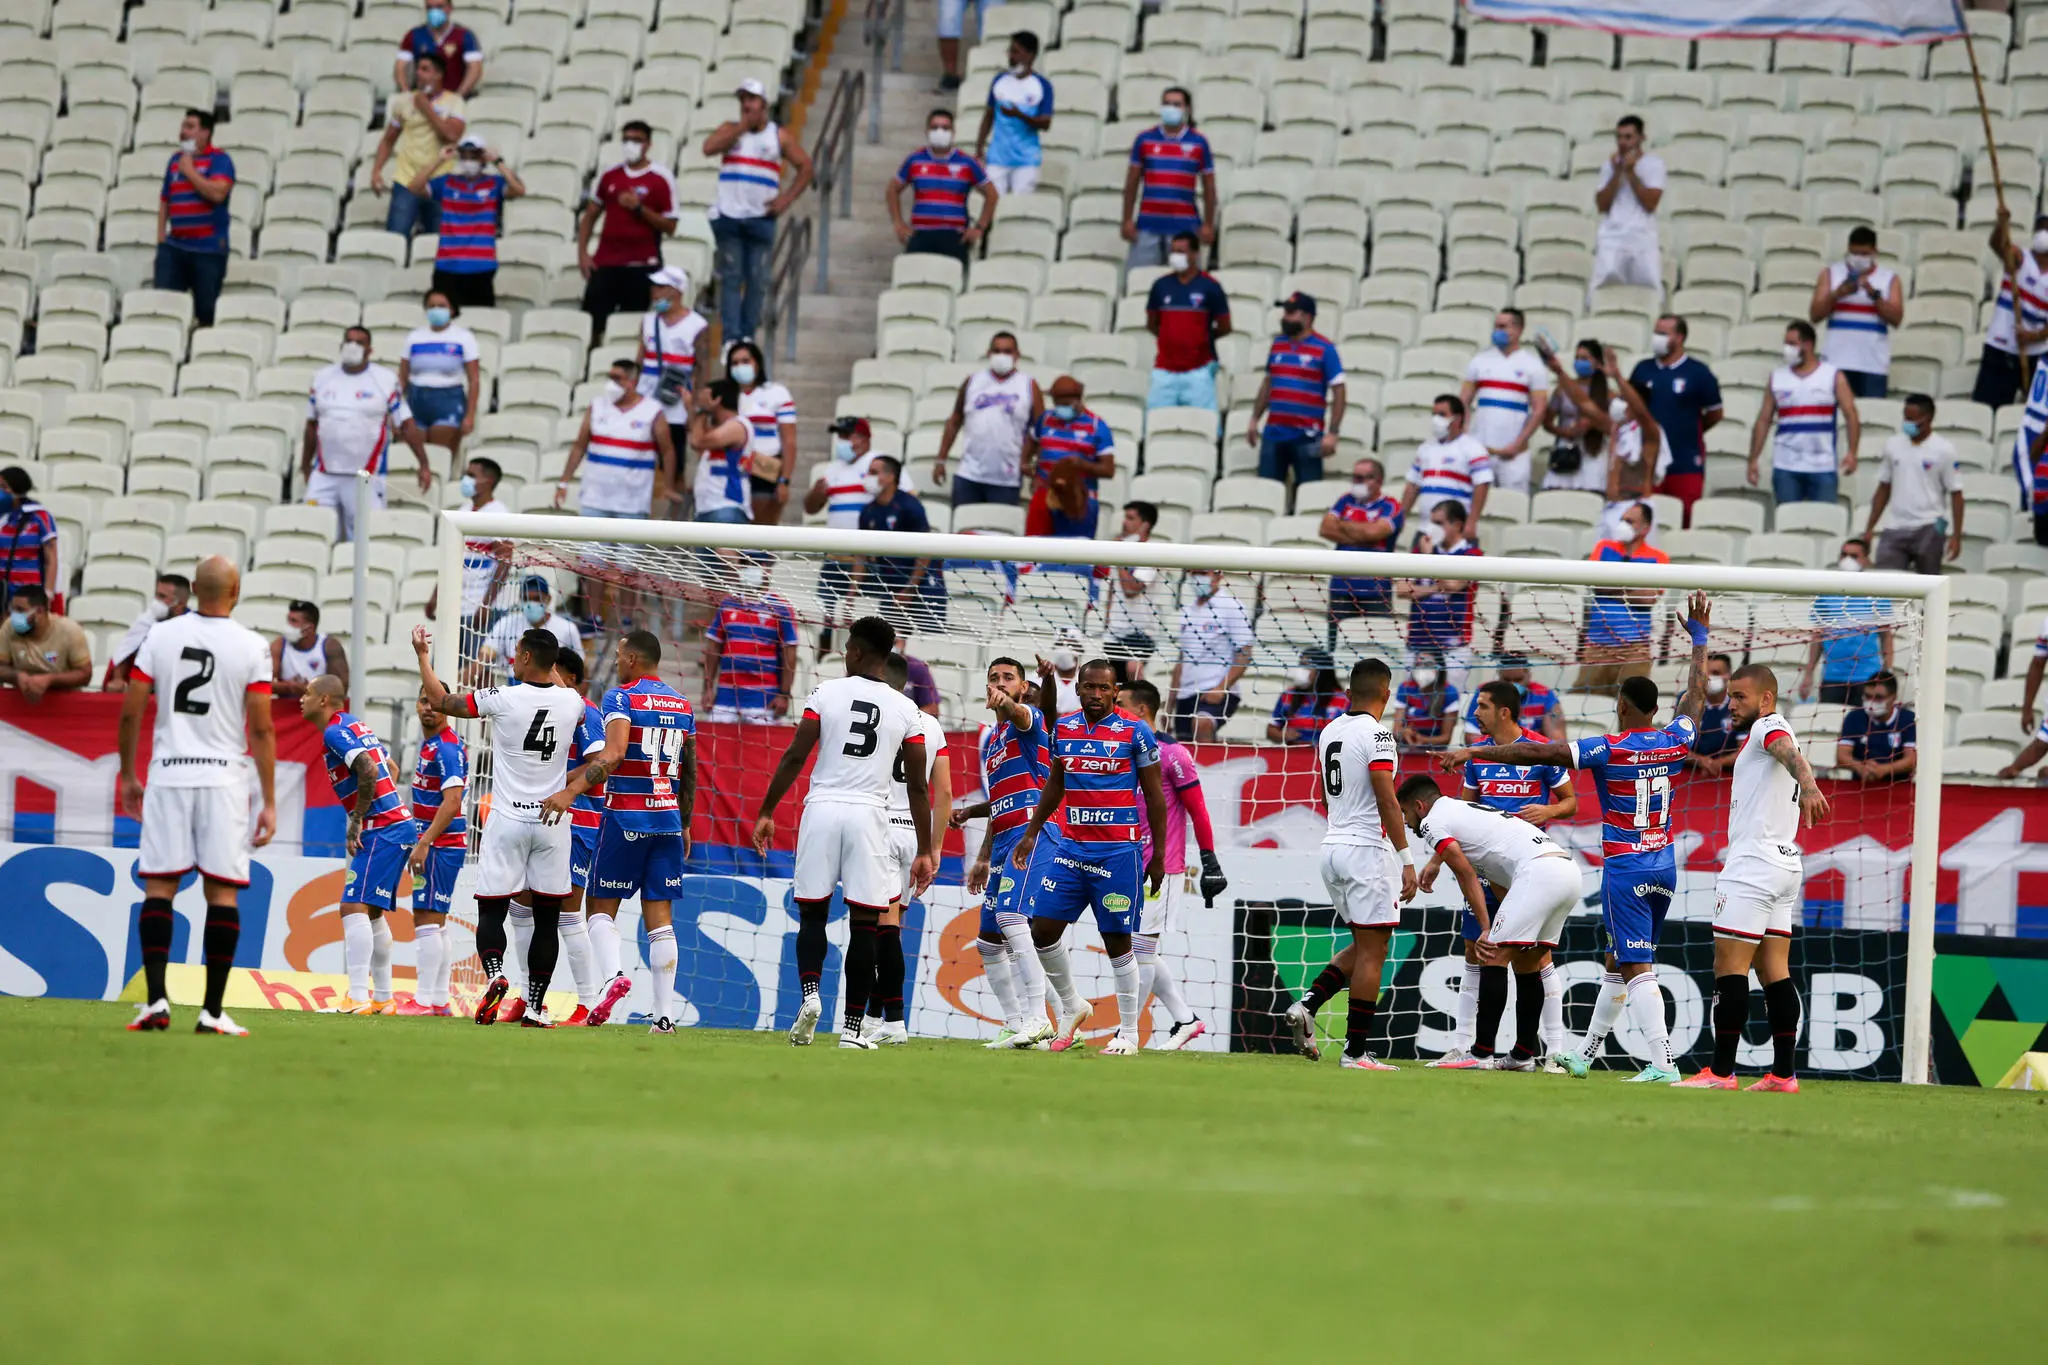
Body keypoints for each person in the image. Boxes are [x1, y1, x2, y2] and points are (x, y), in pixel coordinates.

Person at [1444, 591, 1714, 1083]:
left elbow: (1542, 755)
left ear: (1622, 706)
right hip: (1665, 864)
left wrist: (1474, 754)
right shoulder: (1677, 739)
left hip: (1627, 866)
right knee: (1617, 960)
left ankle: (1663, 1063)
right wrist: (1699, 640)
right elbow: (1695, 700)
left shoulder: (1608, 747)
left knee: (1636, 966)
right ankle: (1585, 1055)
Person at [753, 616, 934, 1048]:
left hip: (822, 809)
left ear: (854, 651)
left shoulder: (826, 692)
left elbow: (796, 755)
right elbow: (917, 785)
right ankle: (853, 1030)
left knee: (813, 915)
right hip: (871, 815)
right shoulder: (906, 708)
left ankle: (811, 994)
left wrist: (766, 810)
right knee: (866, 924)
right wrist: (926, 849)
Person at [116, 556, 276, 1036]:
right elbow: (263, 727)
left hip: (168, 773)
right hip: (224, 778)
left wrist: (128, 775)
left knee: (160, 887)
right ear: (237, 590)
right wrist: (269, 799)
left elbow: (130, 712)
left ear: (191, 588)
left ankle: (156, 1003)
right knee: (221, 891)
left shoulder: (160, 637)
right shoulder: (252, 645)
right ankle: (211, 1012)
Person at [415, 623, 588, 1026]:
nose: (512, 658)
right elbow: (572, 703)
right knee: (547, 918)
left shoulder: (503, 697)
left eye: (517, 652)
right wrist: (554, 677)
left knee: (492, 911)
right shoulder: (572, 703)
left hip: (508, 817)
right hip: (552, 820)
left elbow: (441, 701)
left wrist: (422, 656)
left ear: (527, 657)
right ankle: (535, 1008)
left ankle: (495, 976)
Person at [1009, 657, 1172, 1056]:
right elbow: (1055, 784)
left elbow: (1155, 797)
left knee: (1117, 941)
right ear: (1078, 688)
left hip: (1118, 852)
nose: (1096, 694)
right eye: (1089, 687)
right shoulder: (1063, 729)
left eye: (1104, 688)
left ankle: (1129, 1033)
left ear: (1116, 692)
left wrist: (1158, 856)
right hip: (1070, 848)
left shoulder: (1136, 733)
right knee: (1042, 932)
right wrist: (1031, 832)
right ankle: (1073, 1006)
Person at [1677, 664, 1829, 1092]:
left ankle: (1721, 1073)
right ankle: (1783, 1074)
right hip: (1784, 863)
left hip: (1753, 865)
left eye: (1740, 696)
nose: (1731, 704)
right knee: (1774, 971)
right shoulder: (1766, 735)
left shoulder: (1770, 727)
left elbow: (1787, 751)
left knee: (1729, 967)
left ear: (1766, 698)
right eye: (1731, 696)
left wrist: (1811, 784)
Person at [542, 629, 698, 1034]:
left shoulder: (622, 697)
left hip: (626, 815)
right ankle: (663, 1018)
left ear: (632, 659)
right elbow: (690, 767)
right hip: (666, 819)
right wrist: (685, 822)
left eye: (618, 654)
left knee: (598, 909)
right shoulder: (682, 704)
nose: (614, 660)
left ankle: (613, 977)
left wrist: (570, 790)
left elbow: (613, 753)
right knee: (660, 918)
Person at [1430, 678, 1576, 1068]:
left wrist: (1548, 811)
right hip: (1485, 870)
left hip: (1529, 870)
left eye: (1482, 706)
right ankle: (1465, 1045)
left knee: (1537, 957)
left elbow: (1571, 802)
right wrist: (1434, 861)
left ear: (1504, 712)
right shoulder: (1478, 758)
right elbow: (1458, 816)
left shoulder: (1539, 751)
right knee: (1474, 951)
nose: (1475, 712)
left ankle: (1554, 1049)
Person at [1279, 658, 1416, 1068]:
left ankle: (1309, 1003)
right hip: (1365, 852)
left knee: (1364, 943)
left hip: (1333, 846)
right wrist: (1406, 857)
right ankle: (1356, 1052)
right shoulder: (1378, 736)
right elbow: (1387, 798)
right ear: (1387, 694)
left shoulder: (1329, 731)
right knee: (1376, 952)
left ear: (1349, 692)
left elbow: (1324, 794)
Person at [1401, 774, 1581, 1070]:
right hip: (1566, 871)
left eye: (1405, 813)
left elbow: (1466, 875)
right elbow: (1499, 880)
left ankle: (1480, 1054)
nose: (1407, 822)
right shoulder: (1464, 814)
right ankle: (1523, 1055)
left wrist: (1487, 929)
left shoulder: (1434, 821)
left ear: (1420, 806)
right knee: (1527, 962)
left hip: (1540, 873)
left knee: (1493, 955)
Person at [1116, 677, 1226, 1050]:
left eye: (1122, 705)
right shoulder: (1121, 749)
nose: (1115, 712)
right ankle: (1186, 1019)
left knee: (1139, 950)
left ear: (1142, 710)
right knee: (1138, 949)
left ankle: (1126, 1033)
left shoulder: (1173, 754)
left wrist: (1210, 862)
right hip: (1123, 863)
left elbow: (1198, 810)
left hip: (1160, 867)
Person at [952, 658, 1056, 1047]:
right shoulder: (994, 741)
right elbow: (999, 803)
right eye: (993, 678)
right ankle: (1017, 1023)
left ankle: (1039, 1018)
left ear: (1023, 687)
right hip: (1004, 839)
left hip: (1032, 835)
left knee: (1014, 919)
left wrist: (1008, 703)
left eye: (1007, 678)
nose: (998, 683)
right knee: (988, 941)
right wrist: (982, 857)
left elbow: (1020, 712)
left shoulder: (1026, 721)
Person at [302, 675, 419, 1016]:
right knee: (372, 912)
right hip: (396, 824)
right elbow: (390, 766)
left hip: (383, 828)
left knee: (351, 907)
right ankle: (383, 998)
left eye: (307, 694)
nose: (301, 699)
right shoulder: (355, 725)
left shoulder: (334, 732)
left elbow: (368, 769)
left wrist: (358, 817)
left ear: (324, 700)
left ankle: (357, 998)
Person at [856, 653, 953, 1045]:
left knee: (879, 932)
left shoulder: (872, 718)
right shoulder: (930, 725)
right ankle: (874, 1019)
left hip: (877, 830)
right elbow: (943, 792)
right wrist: (935, 849)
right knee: (890, 930)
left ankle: (892, 1022)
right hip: (912, 834)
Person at [702, 80, 814, 345]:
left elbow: (806, 166)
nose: (746, 105)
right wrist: (741, 127)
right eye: (743, 100)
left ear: (764, 104)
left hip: (760, 216)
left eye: (752, 99)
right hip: (729, 215)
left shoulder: (778, 136)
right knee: (731, 277)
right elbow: (708, 148)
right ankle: (731, 338)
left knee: (758, 278)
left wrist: (786, 199)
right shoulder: (731, 130)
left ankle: (747, 335)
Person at [303, 326, 434, 542]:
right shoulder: (322, 378)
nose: (352, 346)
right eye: (349, 341)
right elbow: (311, 426)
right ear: (341, 346)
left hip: (366, 477)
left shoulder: (384, 380)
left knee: (364, 543)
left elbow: (407, 425)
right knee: (315, 537)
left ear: (369, 350)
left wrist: (424, 464)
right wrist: (305, 465)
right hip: (324, 475)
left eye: (359, 342)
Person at [400, 685, 468, 1016]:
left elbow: (453, 801)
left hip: (440, 845)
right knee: (435, 920)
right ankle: (439, 1000)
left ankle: (424, 1000)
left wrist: (424, 842)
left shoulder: (447, 748)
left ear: (448, 707)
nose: (429, 708)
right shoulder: (430, 745)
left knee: (426, 918)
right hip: (437, 843)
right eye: (423, 700)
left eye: (436, 702)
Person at [577, 121, 678, 339]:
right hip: (606, 263)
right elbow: (590, 216)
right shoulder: (610, 176)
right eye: (627, 140)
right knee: (593, 325)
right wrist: (583, 253)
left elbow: (670, 226)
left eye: (637, 140)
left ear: (648, 144)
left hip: (641, 266)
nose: (630, 145)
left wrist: (639, 208)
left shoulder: (661, 178)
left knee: (630, 329)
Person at [1748, 319, 1860, 505]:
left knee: (1823, 523)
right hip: (1786, 465)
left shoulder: (1832, 376)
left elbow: (1851, 415)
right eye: (1786, 343)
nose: (1787, 348)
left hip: (1822, 464)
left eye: (1792, 344)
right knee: (1787, 522)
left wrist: (1852, 452)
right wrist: (1753, 459)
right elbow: (1763, 420)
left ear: (1808, 344)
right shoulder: (1777, 377)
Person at [557, 357, 679, 525]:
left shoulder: (652, 411)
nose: (611, 383)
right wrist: (563, 482)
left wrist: (668, 486)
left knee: (628, 553)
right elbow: (579, 446)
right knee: (588, 551)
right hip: (595, 499)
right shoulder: (597, 406)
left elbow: (667, 450)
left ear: (632, 382)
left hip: (632, 503)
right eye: (610, 377)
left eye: (617, 378)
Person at [1245, 292, 1346, 492]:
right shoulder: (1278, 344)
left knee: (1309, 493)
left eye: (1291, 313)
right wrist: (1255, 418)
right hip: (1274, 433)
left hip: (1307, 435)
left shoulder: (1325, 349)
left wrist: (1333, 433)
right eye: (1285, 312)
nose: (1285, 317)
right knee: (1267, 491)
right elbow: (1269, 383)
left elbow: (1339, 392)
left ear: (1307, 317)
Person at [411, 135, 524, 309]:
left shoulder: (494, 183)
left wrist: (498, 162)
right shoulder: (447, 182)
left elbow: (519, 189)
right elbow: (414, 187)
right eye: (464, 156)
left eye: (474, 156)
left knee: (480, 319)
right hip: (447, 265)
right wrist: (438, 160)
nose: (468, 161)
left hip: (481, 265)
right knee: (445, 318)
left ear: (483, 158)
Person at [1630, 314, 1723, 523]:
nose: (1657, 338)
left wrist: (1690, 429)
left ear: (1679, 338)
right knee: (1646, 521)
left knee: (1684, 519)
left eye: (1663, 334)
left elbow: (1716, 413)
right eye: (1656, 333)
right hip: (1647, 462)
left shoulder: (1699, 373)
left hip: (1685, 462)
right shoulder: (1642, 370)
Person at [1121, 87, 1217, 282]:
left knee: (1185, 283)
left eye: (1176, 104)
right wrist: (1127, 219)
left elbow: (1209, 187)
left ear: (1187, 109)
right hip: (1147, 226)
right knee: (1140, 282)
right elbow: (1132, 181)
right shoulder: (1144, 139)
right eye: (1166, 103)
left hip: (1184, 228)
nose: (1170, 108)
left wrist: (1208, 223)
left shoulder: (1199, 143)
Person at [936, 331, 1038, 506]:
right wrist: (940, 459)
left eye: (1007, 351)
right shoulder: (973, 382)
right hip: (969, 474)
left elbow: (1039, 430)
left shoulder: (1028, 385)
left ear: (1017, 355)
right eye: (997, 351)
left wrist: (1036, 469)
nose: (1001, 356)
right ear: (988, 353)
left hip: (1007, 477)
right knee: (964, 528)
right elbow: (955, 420)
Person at [1865, 393, 1962, 573]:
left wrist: (1956, 536)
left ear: (1929, 418)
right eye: (1905, 417)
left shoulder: (1944, 450)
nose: (1907, 423)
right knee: (1885, 582)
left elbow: (1956, 494)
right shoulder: (1893, 445)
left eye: (1913, 419)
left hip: (1930, 524)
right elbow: (1884, 487)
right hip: (1895, 525)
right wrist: (1870, 526)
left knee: (1928, 585)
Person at [372, 53, 466, 237]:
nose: (418, 73)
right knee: (395, 237)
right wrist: (376, 170)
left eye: (425, 69)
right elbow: (389, 139)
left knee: (436, 242)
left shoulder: (454, 102)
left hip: (439, 180)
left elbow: (451, 135)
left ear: (438, 75)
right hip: (406, 179)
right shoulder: (404, 102)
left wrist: (426, 108)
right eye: (418, 69)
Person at [1577, 502, 1668, 694]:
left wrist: (1612, 587)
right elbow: (1595, 583)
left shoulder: (1658, 557)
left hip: (1635, 649)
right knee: (1585, 699)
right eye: (1622, 520)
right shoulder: (1603, 547)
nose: (1623, 525)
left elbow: (1649, 597)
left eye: (1630, 521)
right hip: (1597, 645)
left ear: (1645, 528)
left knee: (1633, 706)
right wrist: (1633, 588)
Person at [154, 108, 234, 326]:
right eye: (183, 126)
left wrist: (190, 172)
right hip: (175, 247)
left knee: (206, 312)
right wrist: (161, 237)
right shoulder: (175, 160)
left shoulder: (220, 160)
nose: (183, 132)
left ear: (205, 133)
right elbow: (165, 199)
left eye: (190, 127)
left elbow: (217, 193)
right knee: (164, 309)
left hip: (207, 250)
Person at [888, 109, 996, 267]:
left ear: (953, 132)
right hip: (921, 235)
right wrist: (898, 223)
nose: (940, 132)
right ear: (927, 131)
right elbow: (892, 189)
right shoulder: (914, 160)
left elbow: (992, 194)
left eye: (945, 128)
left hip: (954, 237)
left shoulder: (967, 162)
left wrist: (979, 227)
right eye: (935, 127)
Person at [1459, 309, 1549, 494]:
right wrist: (1467, 435)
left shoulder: (1533, 365)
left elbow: (1539, 410)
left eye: (1503, 327)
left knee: (1513, 502)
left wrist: (1518, 444)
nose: (1497, 331)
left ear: (1518, 330)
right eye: (1496, 326)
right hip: (1481, 451)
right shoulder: (1479, 361)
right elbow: (1463, 402)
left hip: (1515, 454)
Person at [1809, 226, 1904, 399]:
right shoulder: (1830, 274)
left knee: (1871, 417)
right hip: (1836, 360)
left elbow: (1896, 318)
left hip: (1873, 363)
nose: (1859, 258)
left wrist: (1874, 296)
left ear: (1875, 252)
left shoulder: (1889, 278)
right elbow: (1814, 315)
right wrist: (1838, 294)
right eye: (1854, 253)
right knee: (1835, 417)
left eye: (1864, 254)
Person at [1396, 501, 1481, 692]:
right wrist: (1438, 586)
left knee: (1449, 704)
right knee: (1411, 703)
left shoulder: (1471, 554)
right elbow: (1402, 589)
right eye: (1431, 522)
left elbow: (1453, 585)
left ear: (1457, 524)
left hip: (1453, 647)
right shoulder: (1420, 551)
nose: (1432, 529)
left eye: (1439, 523)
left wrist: (1428, 562)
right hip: (1417, 644)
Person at [855, 456, 945, 634]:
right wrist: (852, 592)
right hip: (890, 585)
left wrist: (910, 589)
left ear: (890, 477)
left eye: (874, 473)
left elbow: (925, 550)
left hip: (924, 585)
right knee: (888, 643)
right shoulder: (868, 511)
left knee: (928, 641)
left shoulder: (910, 507)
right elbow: (861, 555)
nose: (868, 477)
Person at [703, 555, 798, 723]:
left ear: (768, 569)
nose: (751, 568)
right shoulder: (727, 604)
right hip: (726, 697)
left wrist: (784, 694)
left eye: (757, 563)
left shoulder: (781, 608)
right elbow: (713, 647)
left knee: (761, 748)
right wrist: (708, 688)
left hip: (764, 699)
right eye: (746, 564)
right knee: (716, 748)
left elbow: (790, 654)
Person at [1799, 539, 1892, 704]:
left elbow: (1886, 637)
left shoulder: (1878, 593)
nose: (1847, 560)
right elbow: (1818, 637)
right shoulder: (1826, 594)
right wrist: (1809, 674)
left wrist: (1886, 671)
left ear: (1865, 560)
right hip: (1833, 677)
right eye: (1844, 554)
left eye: (1854, 556)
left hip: (1868, 677)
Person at [1145, 232, 1231, 412]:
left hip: (1198, 371)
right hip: (1164, 370)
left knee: (1203, 423)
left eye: (1181, 251)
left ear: (1195, 254)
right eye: (1173, 251)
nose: (1175, 257)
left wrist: (1200, 338)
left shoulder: (1210, 286)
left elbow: (1225, 326)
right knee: (1157, 422)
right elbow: (1152, 323)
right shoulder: (1160, 286)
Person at [424, 454, 511, 630]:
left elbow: (505, 562)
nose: (465, 479)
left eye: (471, 475)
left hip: (480, 608)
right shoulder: (463, 511)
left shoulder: (498, 513)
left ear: (489, 480)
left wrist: (486, 604)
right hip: (456, 606)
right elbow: (452, 559)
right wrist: (436, 596)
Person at [1022, 373, 1115, 538]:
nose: (1059, 407)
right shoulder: (1046, 419)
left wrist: (1082, 464)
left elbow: (1108, 470)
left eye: (1064, 403)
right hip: (1046, 493)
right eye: (1056, 402)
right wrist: (1024, 463)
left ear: (1077, 400)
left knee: (1074, 551)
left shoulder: (1096, 426)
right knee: (1035, 549)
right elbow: (1032, 440)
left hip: (1078, 498)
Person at [398, 289, 482, 468]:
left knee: (439, 458)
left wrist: (470, 415)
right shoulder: (414, 337)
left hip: (448, 401)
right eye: (432, 306)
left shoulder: (464, 338)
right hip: (416, 399)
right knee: (412, 459)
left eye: (442, 306)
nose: (436, 310)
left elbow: (474, 380)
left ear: (452, 310)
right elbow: (402, 378)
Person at [1588, 114, 1665, 305]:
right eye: (1619, 137)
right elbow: (1602, 205)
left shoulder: (1654, 165)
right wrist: (1617, 173)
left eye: (1628, 137)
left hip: (1641, 234)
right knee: (1600, 287)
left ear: (1641, 138)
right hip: (1612, 233)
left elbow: (1650, 203)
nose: (1622, 142)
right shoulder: (1609, 166)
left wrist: (1631, 173)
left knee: (1651, 287)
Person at [1168, 570, 1253, 742]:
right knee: (1184, 749)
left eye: (1203, 573)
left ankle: (1209, 767)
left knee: (1202, 723)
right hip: (1186, 693)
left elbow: (1244, 655)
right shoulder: (1187, 611)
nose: (1198, 578)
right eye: (1195, 573)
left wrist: (1222, 687)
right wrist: (1169, 706)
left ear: (1218, 576)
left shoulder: (1232, 607)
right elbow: (1181, 661)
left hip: (1216, 688)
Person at [1979, 205, 2048, 410]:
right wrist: (2001, 225)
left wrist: (2033, 336)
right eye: (2041, 229)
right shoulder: (2020, 258)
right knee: (1988, 407)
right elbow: (1997, 246)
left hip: (2037, 353)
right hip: (2001, 348)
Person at [1322, 458, 1402, 634]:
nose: (1356, 482)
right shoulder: (1345, 500)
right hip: (1341, 587)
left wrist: (1343, 524)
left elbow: (1374, 533)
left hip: (1375, 590)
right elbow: (1325, 529)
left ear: (1378, 480)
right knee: (1335, 643)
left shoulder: (1391, 506)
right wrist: (1364, 536)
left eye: (1361, 478)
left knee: (1377, 646)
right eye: (1354, 477)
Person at [975, 30, 1053, 195]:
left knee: (1018, 206)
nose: (1011, 56)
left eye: (1016, 52)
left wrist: (1020, 115)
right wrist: (979, 146)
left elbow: (1046, 123)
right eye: (1010, 51)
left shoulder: (1042, 86)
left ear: (1030, 55)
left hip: (1026, 160)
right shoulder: (999, 81)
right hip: (997, 157)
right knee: (993, 202)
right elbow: (989, 115)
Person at [729, 341, 796, 526]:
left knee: (761, 536)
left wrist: (785, 479)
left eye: (745, 361)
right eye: (734, 363)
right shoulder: (726, 395)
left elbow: (789, 440)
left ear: (757, 363)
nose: (740, 367)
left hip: (765, 468)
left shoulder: (777, 393)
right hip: (731, 470)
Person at [1399, 394, 1492, 525]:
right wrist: (1400, 519)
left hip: (1455, 529)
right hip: (1425, 527)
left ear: (1458, 418)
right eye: (1434, 414)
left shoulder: (1474, 448)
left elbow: (1482, 485)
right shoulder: (1425, 448)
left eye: (1442, 415)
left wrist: (1472, 522)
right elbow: (1412, 486)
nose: (1436, 419)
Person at [1100, 501, 1165, 681]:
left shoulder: (1151, 552)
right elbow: (1114, 591)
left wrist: (1119, 557)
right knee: (1114, 684)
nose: (1124, 523)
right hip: (1115, 632)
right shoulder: (1123, 549)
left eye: (1130, 518)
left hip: (1140, 632)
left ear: (1145, 524)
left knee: (1133, 672)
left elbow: (1131, 588)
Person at [3, 584, 91, 702]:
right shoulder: (9, 627)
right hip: (21, 701)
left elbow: (85, 675)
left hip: (64, 702)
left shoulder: (69, 630)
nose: (14, 616)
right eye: (12, 609)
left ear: (39, 611)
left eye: (20, 610)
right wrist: (16, 676)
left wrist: (50, 680)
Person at [684, 376, 753, 526]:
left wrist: (702, 411)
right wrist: (692, 410)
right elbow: (697, 437)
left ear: (717, 400)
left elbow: (697, 442)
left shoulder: (738, 426)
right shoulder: (716, 430)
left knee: (726, 550)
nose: (700, 402)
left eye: (704, 398)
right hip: (706, 508)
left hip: (726, 507)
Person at [103, 572, 191, 689]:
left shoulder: (192, 627)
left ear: (180, 604)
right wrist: (117, 679)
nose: (156, 601)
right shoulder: (147, 620)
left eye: (162, 596)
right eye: (156, 595)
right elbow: (125, 651)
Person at [481, 575, 580, 674]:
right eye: (526, 598)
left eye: (537, 599)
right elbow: (484, 656)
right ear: (520, 600)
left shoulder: (568, 628)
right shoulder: (506, 623)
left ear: (548, 599)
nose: (531, 603)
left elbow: (580, 671)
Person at [1459, 656, 1566, 744]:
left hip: (1534, 758)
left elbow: (1558, 741)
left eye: (1518, 680)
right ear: (1499, 676)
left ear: (1528, 675)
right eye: (1507, 680)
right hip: (1494, 756)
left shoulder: (1544, 695)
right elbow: (1471, 737)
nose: (1512, 684)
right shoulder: (1485, 693)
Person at [1836, 671, 1916, 785]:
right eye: (1868, 696)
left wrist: (1885, 769)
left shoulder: (1908, 719)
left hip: (1899, 787)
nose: (1872, 702)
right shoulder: (1854, 717)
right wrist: (1861, 767)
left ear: (1893, 697)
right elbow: (1841, 756)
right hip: (1860, 786)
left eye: (1878, 698)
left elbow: (1911, 760)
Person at [395, 0, 483, 96]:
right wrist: (407, 95)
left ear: (450, 8)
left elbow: (475, 69)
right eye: (430, 8)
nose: (434, 11)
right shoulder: (413, 35)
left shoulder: (465, 35)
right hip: (422, 99)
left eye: (439, 7)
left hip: (455, 96)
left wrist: (458, 97)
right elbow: (400, 68)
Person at [271, 600, 349, 700]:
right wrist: (289, 687)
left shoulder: (330, 646)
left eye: (294, 621)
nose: (288, 626)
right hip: (288, 709)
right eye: (288, 620)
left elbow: (341, 689)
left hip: (321, 710)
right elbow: (263, 685)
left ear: (309, 628)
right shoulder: (279, 645)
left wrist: (310, 689)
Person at [1267, 647, 1347, 745]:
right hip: (1296, 755)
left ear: (1321, 671)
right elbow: (1271, 729)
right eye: (1300, 665)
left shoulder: (1343, 700)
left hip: (1330, 757)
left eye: (1306, 666)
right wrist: (1283, 735)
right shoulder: (1288, 696)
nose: (1301, 670)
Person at [1, 467, 59, 597]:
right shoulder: (3, 518)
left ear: (16, 490)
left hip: (28, 593)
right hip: (2, 592)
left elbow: (51, 557)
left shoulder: (40, 516)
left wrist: (48, 593)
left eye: (4, 487)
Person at [1688, 653, 1742, 776]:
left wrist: (1718, 763)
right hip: (1691, 773)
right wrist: (1701, 761)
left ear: (1729, 676)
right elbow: (1677, 747)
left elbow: (1744, 750)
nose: (1709, 677)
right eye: (1705, 673)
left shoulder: (1739, 704)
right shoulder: (1687, 701)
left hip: (1730, 775)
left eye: (1716, 673)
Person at [1391, 653, 1459, 751]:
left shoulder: (1449, 692)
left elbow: (1446, 738)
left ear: (1440, 668)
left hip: (1435, 751)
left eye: (1428, 664)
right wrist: (1403, 733)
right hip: (1406, 750)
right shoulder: (1405, 687)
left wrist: (1423, 740)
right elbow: (1396, 731)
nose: (1423, 669)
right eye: (1419, 664)